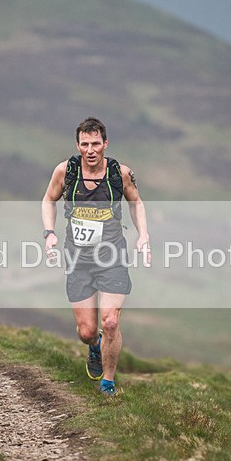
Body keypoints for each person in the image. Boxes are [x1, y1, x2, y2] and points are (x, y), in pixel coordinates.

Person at [41, 117, 151, 396]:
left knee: (111, 321)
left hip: (112, 257)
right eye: (85, 144)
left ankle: (108, 382)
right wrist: (49, 233)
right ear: (78, 145)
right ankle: (94, 346)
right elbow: (48, 200)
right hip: (78, 259)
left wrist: (143, 235)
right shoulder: (65, 171)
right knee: (87, 331)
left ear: (105, 144)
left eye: (96, 144)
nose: (90, 150)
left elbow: (136, 203)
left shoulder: (120, 173)